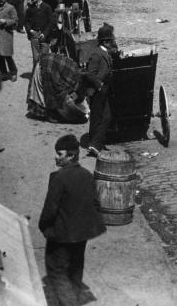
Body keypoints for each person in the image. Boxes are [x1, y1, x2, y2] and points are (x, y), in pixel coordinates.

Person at [38, 134, 106, 306]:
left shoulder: (59, 178)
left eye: (59, 154)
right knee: (75, 270)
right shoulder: (87, 175)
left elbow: (49, 211)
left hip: (62, 236)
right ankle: (73, 299)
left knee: (57, 272)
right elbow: (96, 204)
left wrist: (44, 228)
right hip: (81, 235)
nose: (56, 157)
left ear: (70, 156)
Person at [79, 23, 115, 156]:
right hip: (97, 90)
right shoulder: (96, 54)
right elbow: (89, 74)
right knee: (100, 117)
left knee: (103, 117)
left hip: (103, 89)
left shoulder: (104, 52)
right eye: (110, 41)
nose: (112, 43)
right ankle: (94, 144)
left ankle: (94, 144)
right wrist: (99, 85)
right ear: (105, 41)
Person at [25, 0, 54, 69]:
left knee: (44, 60)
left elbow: (51, 22)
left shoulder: (47, 7)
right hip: (34, 36)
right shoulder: (30, 8)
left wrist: (45, 33)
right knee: (35, 59)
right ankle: (35, 79)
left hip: (45, 37)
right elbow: (26, 21)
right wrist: (30, 30)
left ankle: (43, 79)